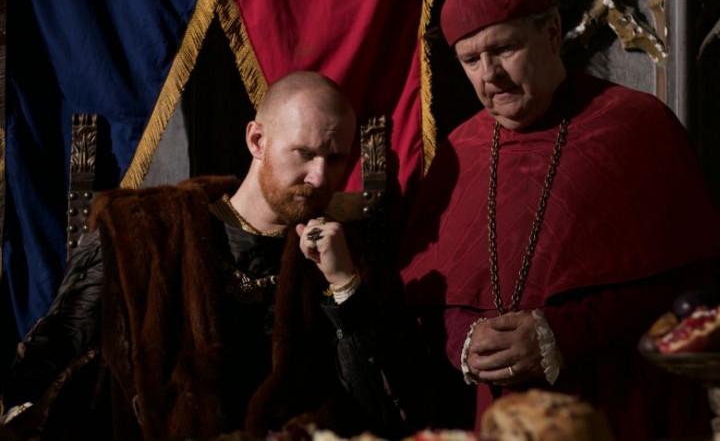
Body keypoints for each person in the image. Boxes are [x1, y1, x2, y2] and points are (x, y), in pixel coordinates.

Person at [400, 0, 720, 440]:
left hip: (618, 401)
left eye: (505, 49)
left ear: (552, 33)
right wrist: (465, 340)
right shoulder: (460, 151)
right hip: (501, 415)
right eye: (471, 60)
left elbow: (692, 283)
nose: (490, 75)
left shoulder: (635, 125)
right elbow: (428, 296)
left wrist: (564, 332)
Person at [0, 71, 428, 440]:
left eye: (335, 159)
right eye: (305, 153)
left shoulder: (354, 261)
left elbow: (390, 411)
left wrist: (344, 287)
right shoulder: (142, 233)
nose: (319, 177)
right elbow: (46, 363)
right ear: (257, 140)